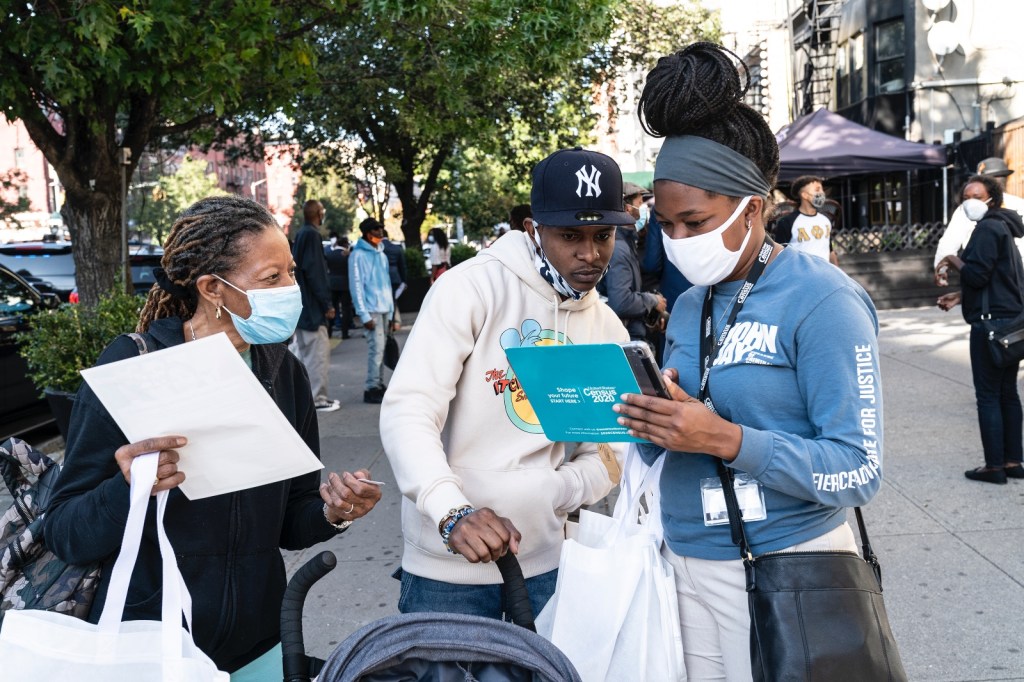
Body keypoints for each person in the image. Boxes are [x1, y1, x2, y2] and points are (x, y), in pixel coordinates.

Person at [612, 43, 883, 681]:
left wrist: (728, 439)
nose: (677, 242)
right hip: (682, 565)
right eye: (665, 225)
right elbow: (670, 442)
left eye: (694, 222)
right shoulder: (686, 307)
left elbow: (859, 469)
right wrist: (649, 420)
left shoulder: (824, 301)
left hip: (792, 570)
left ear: (751, 208)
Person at [42, 195, 383, 677]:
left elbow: (292, 521)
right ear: (212, 288)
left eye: (290, 272)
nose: (292, 287)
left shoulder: (286, 374)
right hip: (152, 647)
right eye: (272, 278)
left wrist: (335, 511)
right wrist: (130, 486)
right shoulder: (134, 366)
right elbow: (63, 529)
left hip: (260, 643)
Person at [380, 147, 634, 620]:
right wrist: (450, 510)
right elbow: (409, 410)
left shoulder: (607, 328)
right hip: (446, 571)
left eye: (603, 235)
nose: (590, 253)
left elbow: (610, 450)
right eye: (569, 235)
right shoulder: (469, 289)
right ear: (533, 231)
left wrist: (552, 492)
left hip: (550, 566)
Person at [936, 175, 1024, 484]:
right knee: (1007, 393)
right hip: (1011, 323)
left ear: (992, 198)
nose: (970, 201)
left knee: (989, 396)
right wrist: (960, 297)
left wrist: (951, 258)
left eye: (977, 194)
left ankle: (994, 466)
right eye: (965, 196)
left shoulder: (987, 229)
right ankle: (1013, 461)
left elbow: (976, 275)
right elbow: (997, 280)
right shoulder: (1004, 227)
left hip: (990, 326)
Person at [934, 157, 1024, 285]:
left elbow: (949, 243)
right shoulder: (1019, 204)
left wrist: (943, 267)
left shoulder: (971, 212)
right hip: (1013, 279)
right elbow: (949, 242)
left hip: (984, 276)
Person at [601, 181, 667, 343]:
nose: (643, 209)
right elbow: (621, 301)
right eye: (640, 203)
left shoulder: (626, 242)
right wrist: (653, 301)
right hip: (627, 338)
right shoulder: (619, 248)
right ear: (627, 208)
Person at [289, 199, 339, 412]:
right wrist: (327, 303)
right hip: (312, 308)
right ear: (319, 213)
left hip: (302, 306)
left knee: (303, 354)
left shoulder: (301, 234)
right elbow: (316, 273)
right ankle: (317, 399)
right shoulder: (312, 235)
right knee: (317, 353)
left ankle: (307, 398)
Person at [349, 217, 395, 404]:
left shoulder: (382, 255)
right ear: (368, 234)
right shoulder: (357, 255)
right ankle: (371, 387)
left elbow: (387, 285)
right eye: (377, 229)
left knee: (382, 350)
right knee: (376, 351)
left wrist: (391, 312)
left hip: (384, 309)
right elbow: (356, 286)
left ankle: (378, 384)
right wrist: (363, 314)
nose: (381, 232)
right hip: (372, 310)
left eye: (381, 229)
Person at [772, 175, 839, 265]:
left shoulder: (825, 220)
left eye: (822, 190)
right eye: (817, 189)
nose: (822, 193)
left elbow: (830, 250)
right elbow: (779, 255)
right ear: (804, 195)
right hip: (799, 277)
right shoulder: (787, 222)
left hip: (824, 276)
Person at [324, 231, 354, 339]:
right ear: (345, 245)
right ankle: (344, 333)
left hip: (332, 284)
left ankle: (330, 332)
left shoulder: (328, 254)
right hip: (345, 284)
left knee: (333, 308)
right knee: (346, 309)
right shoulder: (347, 256)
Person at [382, 229, 407, 328]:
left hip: (382, 277)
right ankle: (391, 322)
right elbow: (402, 266)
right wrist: (404, 280)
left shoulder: (377, 248)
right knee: (392, 300)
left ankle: (385, 323)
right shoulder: (396, 248)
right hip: (394, 277)